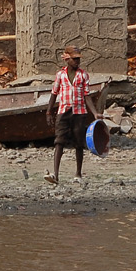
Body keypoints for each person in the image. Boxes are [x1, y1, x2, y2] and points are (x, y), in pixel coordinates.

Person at [46, 47, 102, 185]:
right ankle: (56, 175)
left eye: (78, 59)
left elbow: (86, 95)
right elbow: (54, 93)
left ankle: (78, 174)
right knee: (59, 142)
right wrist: (48, 112)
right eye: (74, 59)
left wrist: (95, 113)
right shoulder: (60, 75)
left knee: (78, 143)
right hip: (63, 111)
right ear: (67, 59)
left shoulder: (83, 75)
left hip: (79, 112)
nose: (77, 61)